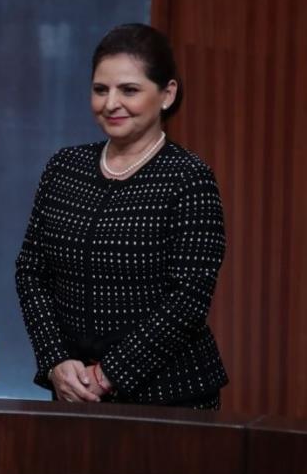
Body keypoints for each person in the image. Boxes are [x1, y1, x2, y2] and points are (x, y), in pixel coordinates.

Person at [15, 23, 228, 409]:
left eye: (129, 90)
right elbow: (31, 272)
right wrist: (55, 362)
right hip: (72, 394)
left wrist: (108, 373)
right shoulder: (64, 168)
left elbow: (189, 299)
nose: (111, 103)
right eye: (100, 90)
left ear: (167, 94)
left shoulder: (189, 178)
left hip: (170, 400)